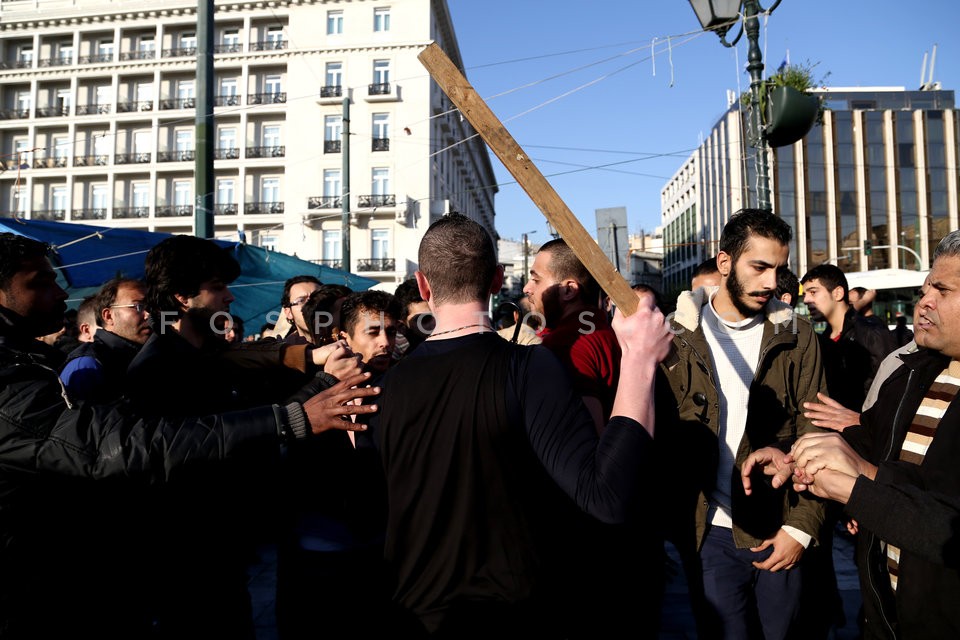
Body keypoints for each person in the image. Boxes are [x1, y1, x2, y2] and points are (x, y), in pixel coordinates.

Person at [0, 232, 379, 639]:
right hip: (178, 566)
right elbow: (142, 447)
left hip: (213, 556)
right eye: (217, 288)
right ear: (182, 297)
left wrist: (308, 378)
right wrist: (303, 406)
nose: (230, 299)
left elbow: (237, 395)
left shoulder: (198, 358)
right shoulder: (158, 371)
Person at [361, 213, 672, 638]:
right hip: (512, 615)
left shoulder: (389, 385)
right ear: (495, 280)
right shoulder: (529, 367)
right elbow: (606, 496)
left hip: (414, 615)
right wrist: (639, 359)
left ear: (423, 285)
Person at [765, 229, 960, 639]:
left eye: (942, 290)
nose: (924, 301)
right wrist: (798, 453)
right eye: (926, 287)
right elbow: (873, 443)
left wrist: (861, 485)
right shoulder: (909, 371)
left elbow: (947, 522)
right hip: (884, 615)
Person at [657, 209, 827, 640]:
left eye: (780, 269)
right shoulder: (676, 337)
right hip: (707, 533)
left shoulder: (797, 335)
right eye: (760, 267)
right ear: (725, 262)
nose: (772, 281)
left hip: (779, 527)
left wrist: (801, 528)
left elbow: (819, 436)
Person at [524, 238, 620, 433]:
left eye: (536, 280)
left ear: (568, 290)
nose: (527, 288)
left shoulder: (566, 344)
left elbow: (584, 438)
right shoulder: (607, 331)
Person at [802, 263, 896, 412]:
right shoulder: (821, 340)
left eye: (813, 292)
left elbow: (893, 389)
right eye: (804, 295)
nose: (806, 300)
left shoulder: (870, 334)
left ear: (838, 293)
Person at [60, 277, 152, 403]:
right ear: (108, 316)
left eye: (151, 307)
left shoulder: (153, 349)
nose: (148, 314)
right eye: (138, 306)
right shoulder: (86, 366)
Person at [339, 290, 401, 377]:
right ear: (345, 338)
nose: (385, 343)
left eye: (391, 333)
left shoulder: (407, 377)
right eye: (373, 333)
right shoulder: (325, 385)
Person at [280, 275, 323, 344]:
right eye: (301, 300)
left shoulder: (344, 340)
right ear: (289, 313)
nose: (311, 304)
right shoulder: (283, 350)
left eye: (317, 298)